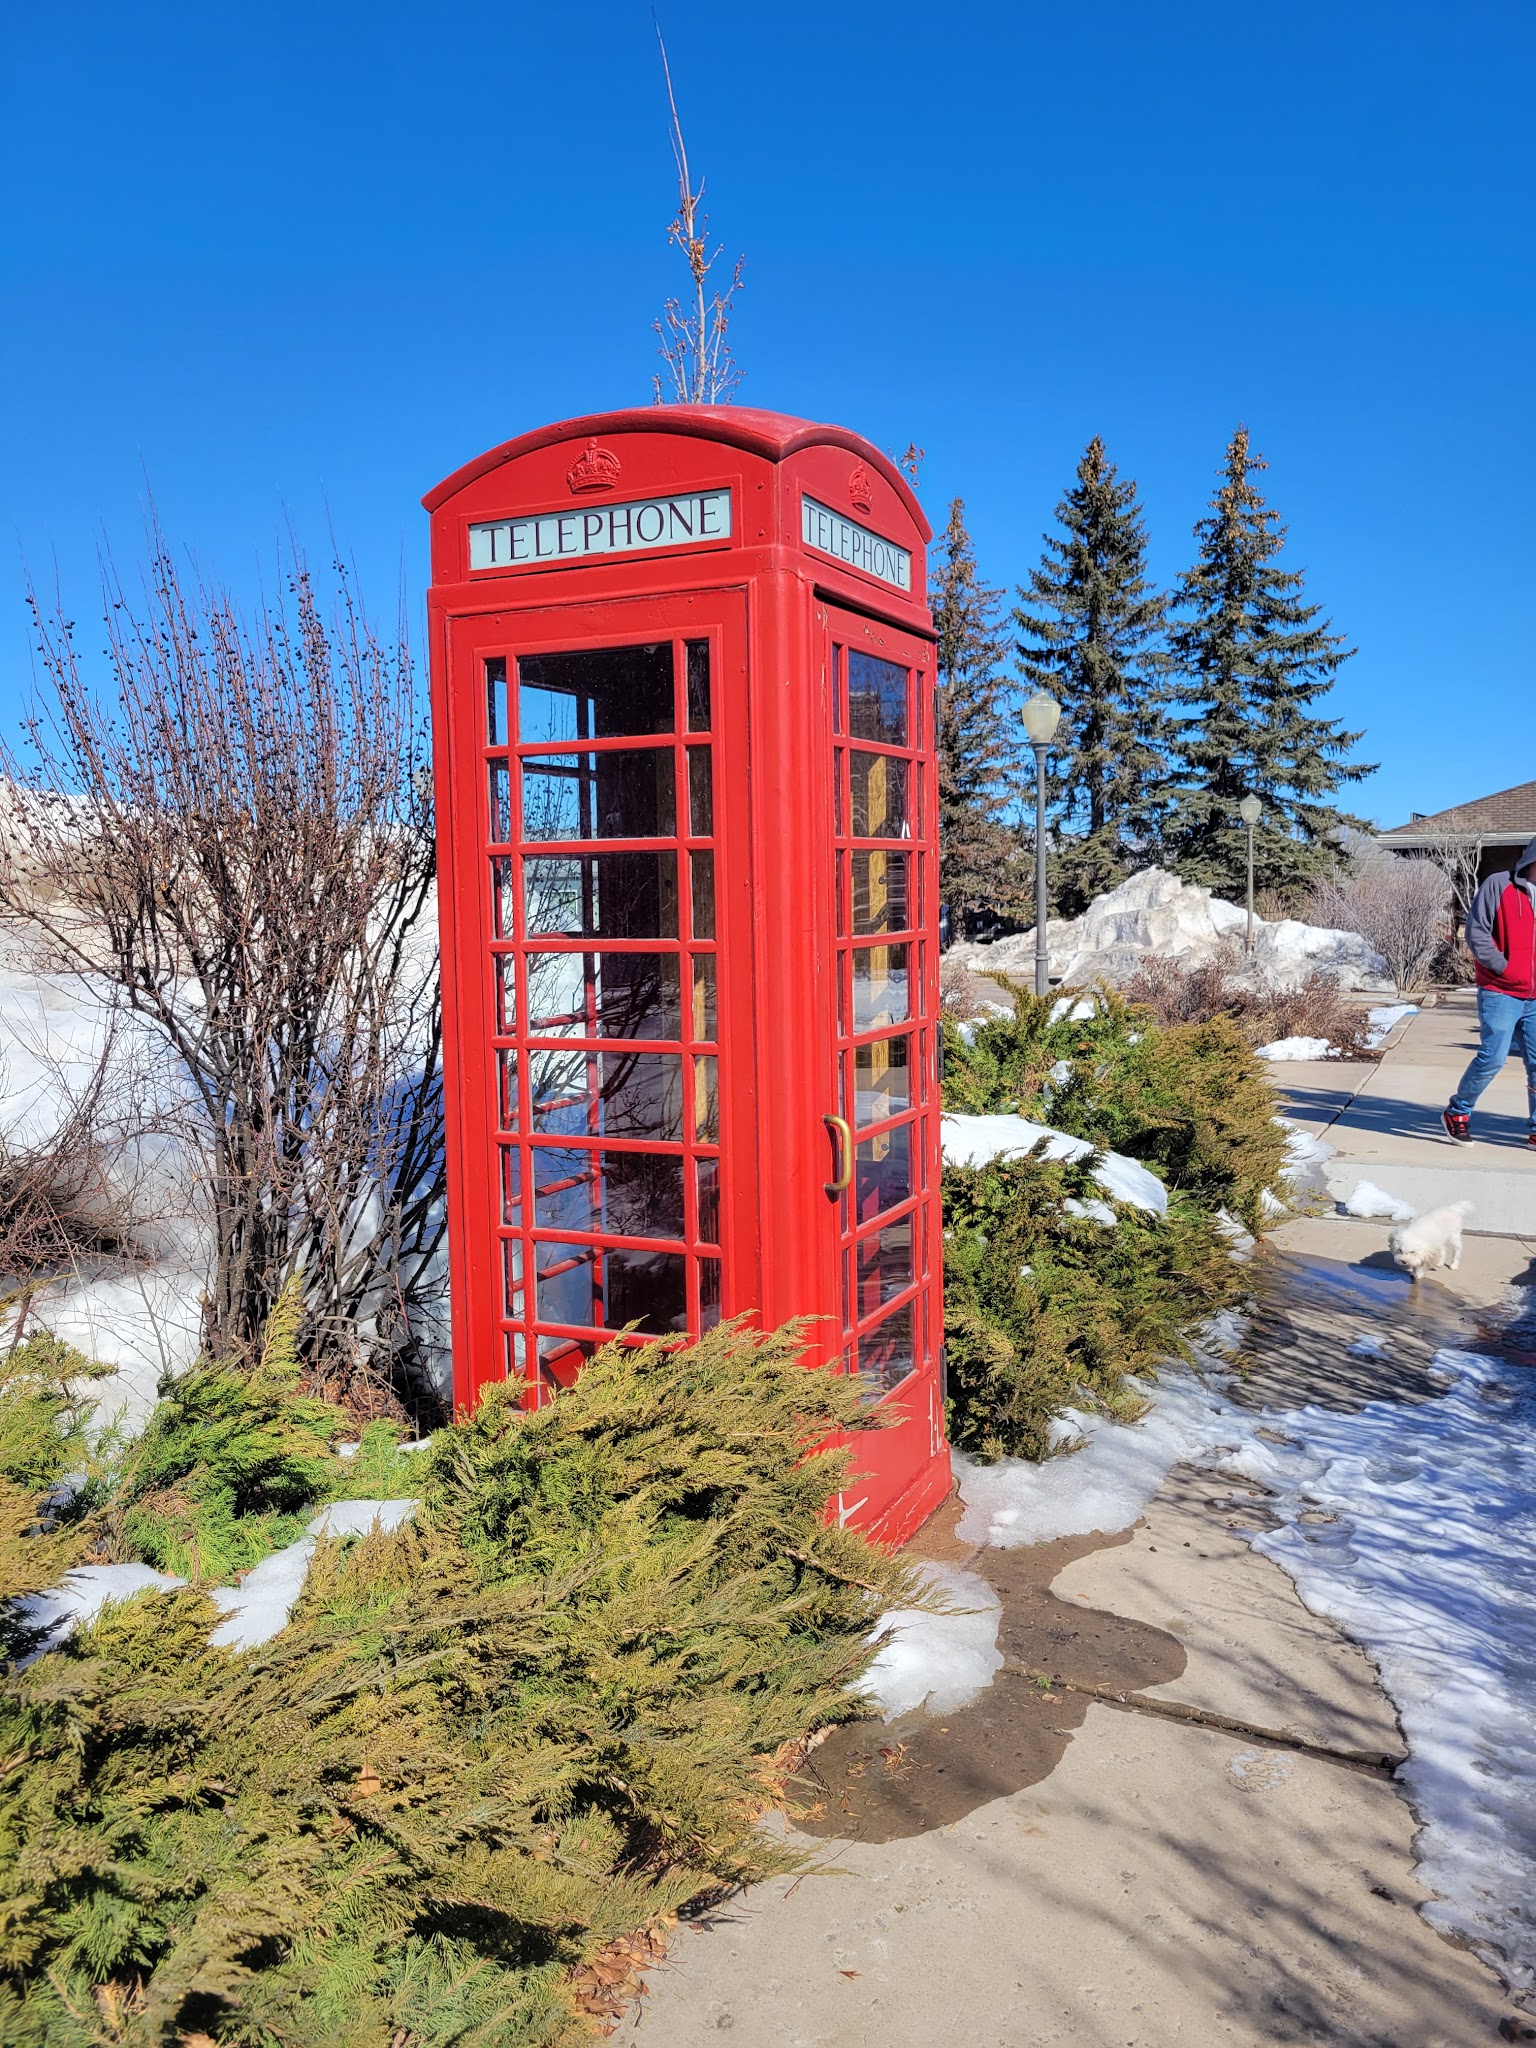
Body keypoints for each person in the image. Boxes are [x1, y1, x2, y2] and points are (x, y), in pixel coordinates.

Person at [1443, 834, 1536, 1144]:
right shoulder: (1499, 884)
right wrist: (1503, 966)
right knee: (1493, 1057)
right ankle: (1458, 1111)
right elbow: (1476, 931)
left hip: (1535, 996)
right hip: (1501, 990)